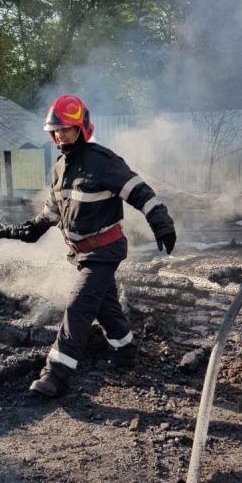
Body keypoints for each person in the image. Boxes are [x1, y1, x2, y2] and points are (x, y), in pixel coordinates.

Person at [21, 94, 177, 398]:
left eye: (66, 128)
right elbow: (54, 208)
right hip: (82, 252)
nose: (60, 135)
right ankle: (125, 349)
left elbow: (139, 191)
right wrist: (37, 226)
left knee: (79, 304)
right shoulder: (59, 168)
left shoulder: (103, 162)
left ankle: (56, 374)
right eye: (56, 130)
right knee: (105, 305)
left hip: (105, 250)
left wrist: (161, 220)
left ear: (82, 128)